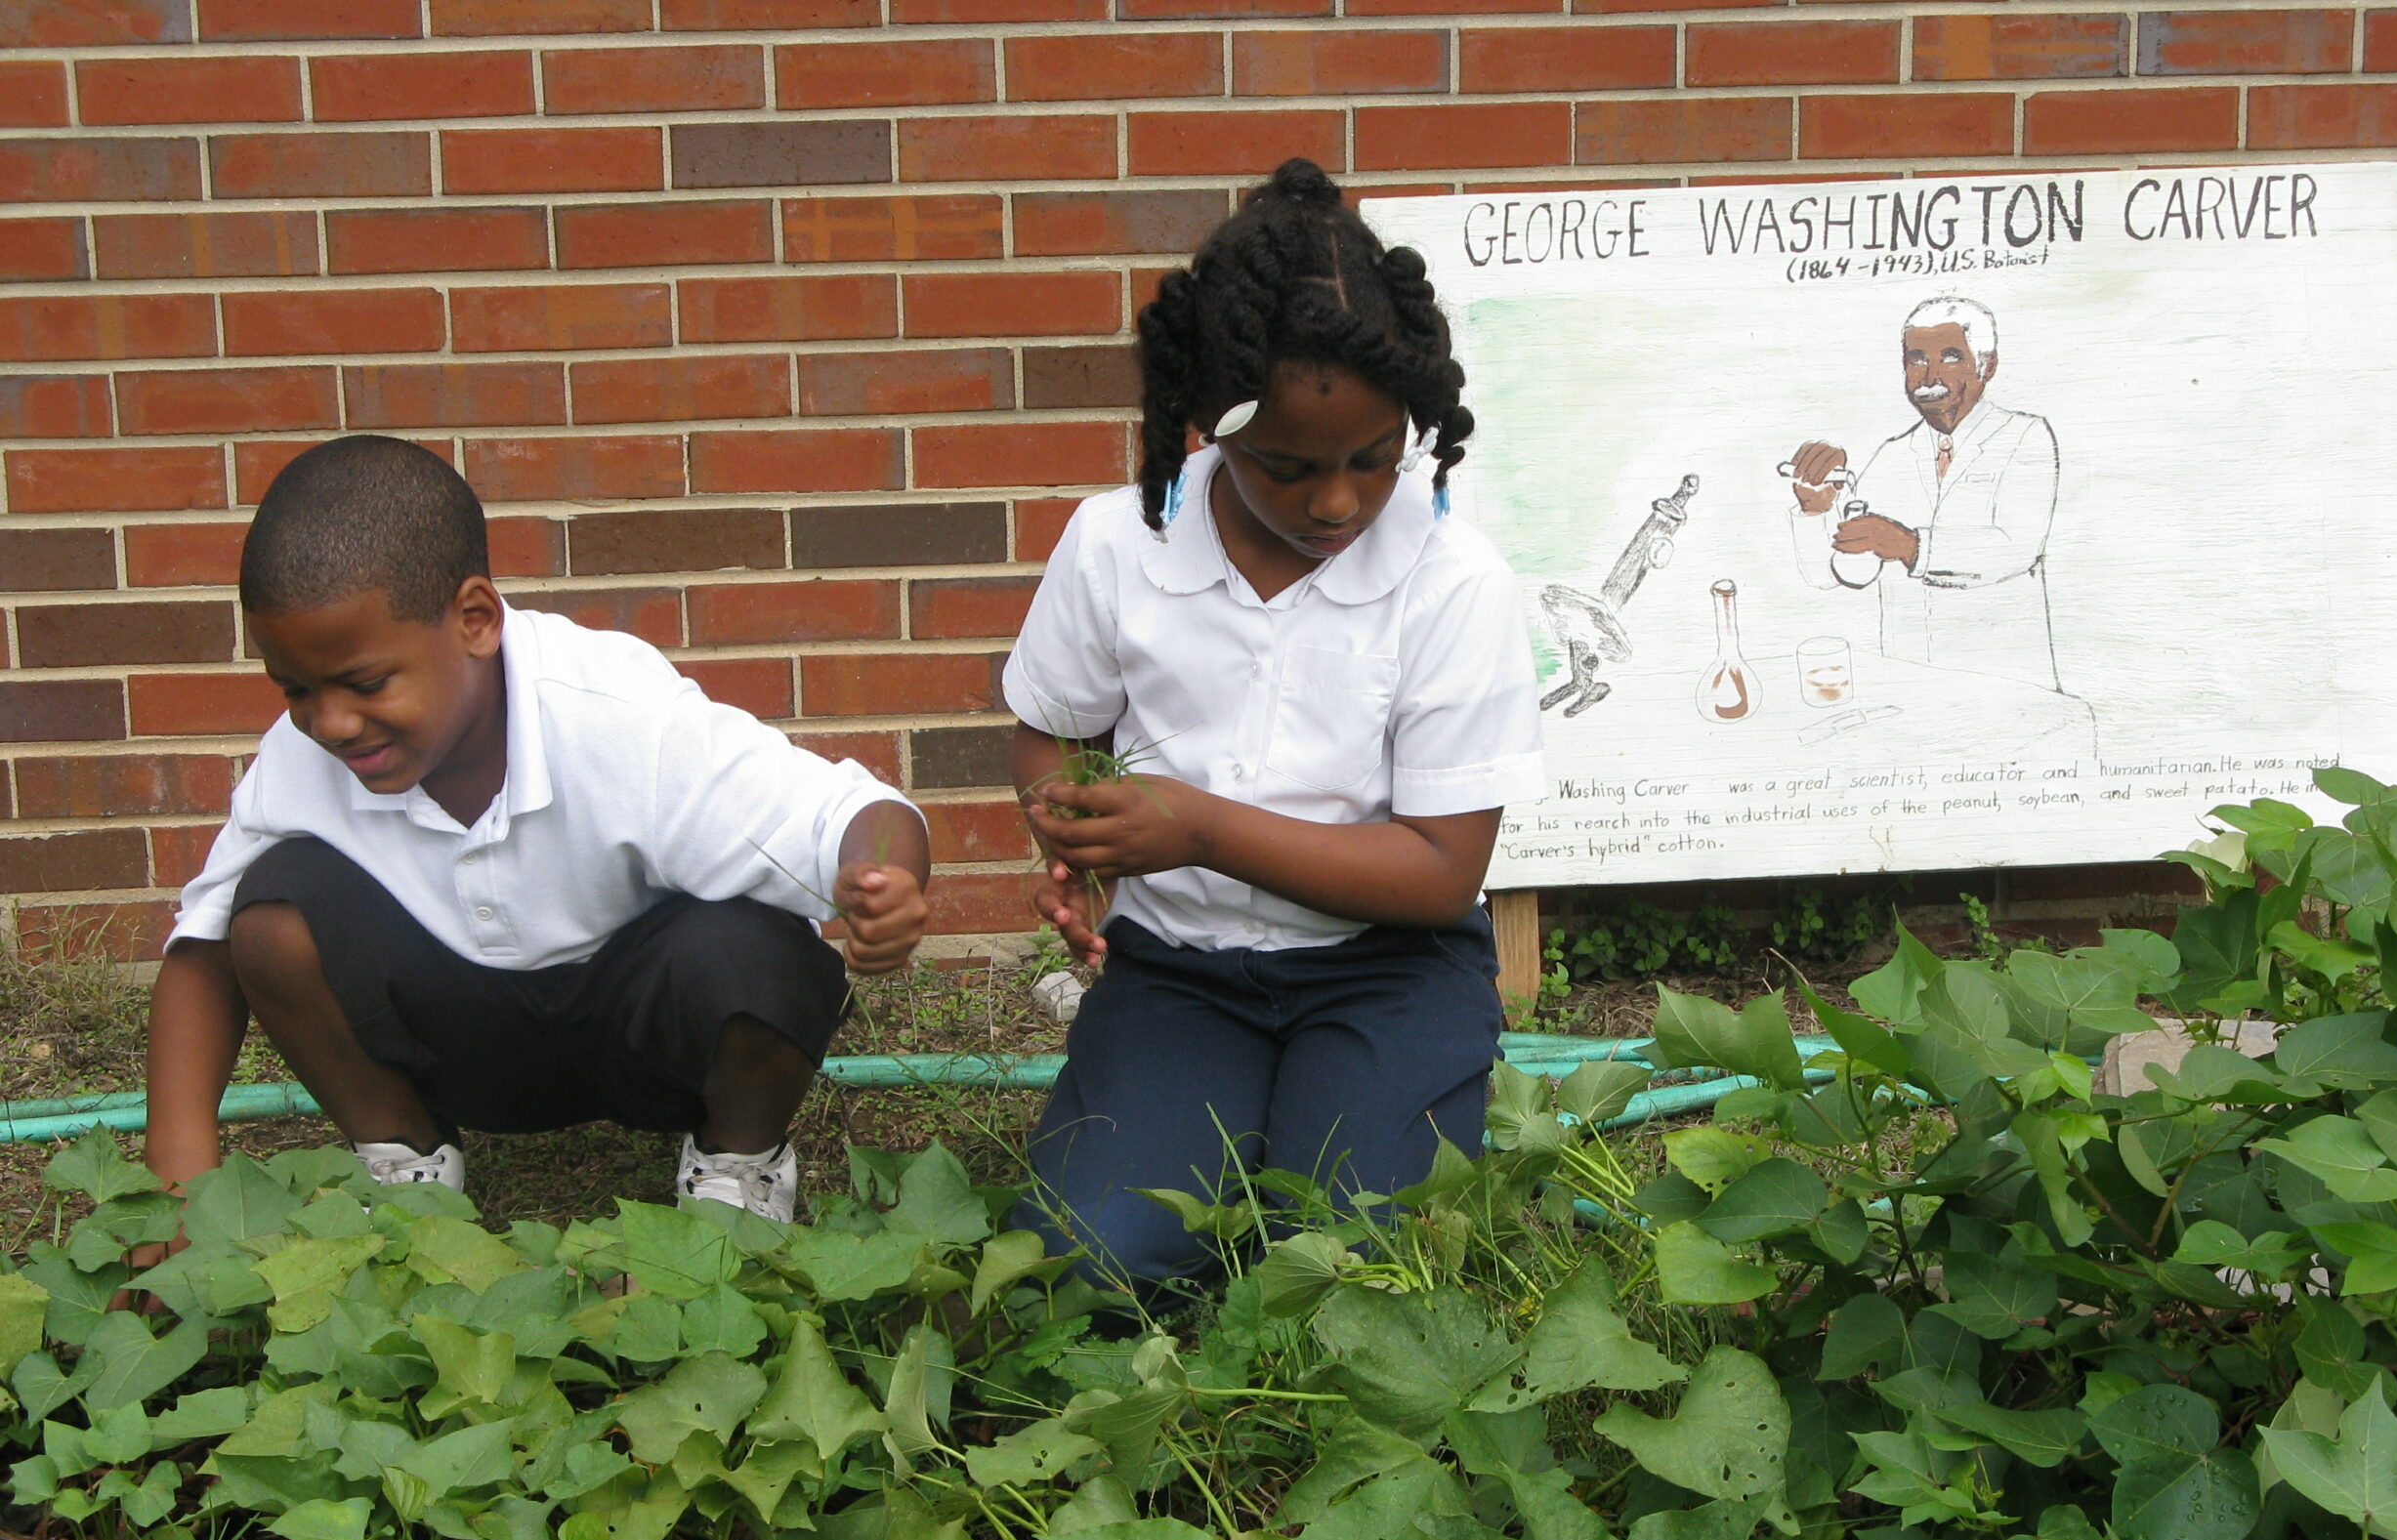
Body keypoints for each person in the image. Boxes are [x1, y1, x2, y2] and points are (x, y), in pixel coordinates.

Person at [1003, 157, 1544, 1300]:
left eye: (1374, 460)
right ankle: (1199, 1129)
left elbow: (1442, 871)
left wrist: (1195, 826)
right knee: (1090, 1265)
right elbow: (1050, 732)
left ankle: (1346, 1119)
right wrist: (1074, 834)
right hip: (1180, 972)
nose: (1336, 502)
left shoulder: (1453, 582)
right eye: (1287, 469)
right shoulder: (1117, 544)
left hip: (1388, 970)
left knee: (1346, 1266)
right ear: (1210, 428)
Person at [144, 436, 929, 1223]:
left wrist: (885, 875)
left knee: (761, 948)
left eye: (367, 683)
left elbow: (857, 815)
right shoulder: (303, 759)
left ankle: (738, 1166)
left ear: (475, 620)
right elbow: (204, 952)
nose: (332, 723)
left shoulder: (621, 719)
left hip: (644, 1042)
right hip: (464, 1046)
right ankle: (404, 1156)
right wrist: (176, 1165)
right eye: (296, 691)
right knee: (268, 914)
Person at [1786, 295, 2063, 690]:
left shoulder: (2025, 436)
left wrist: (1910, 546)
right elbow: (1835, 575)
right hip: (1913, 683)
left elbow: (2016, 547)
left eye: (1950, 358)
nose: (1929, 377)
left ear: (1987, 366)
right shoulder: (1892, 455)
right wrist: (1816, 509)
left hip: (2005, 681)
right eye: (1916, 360)